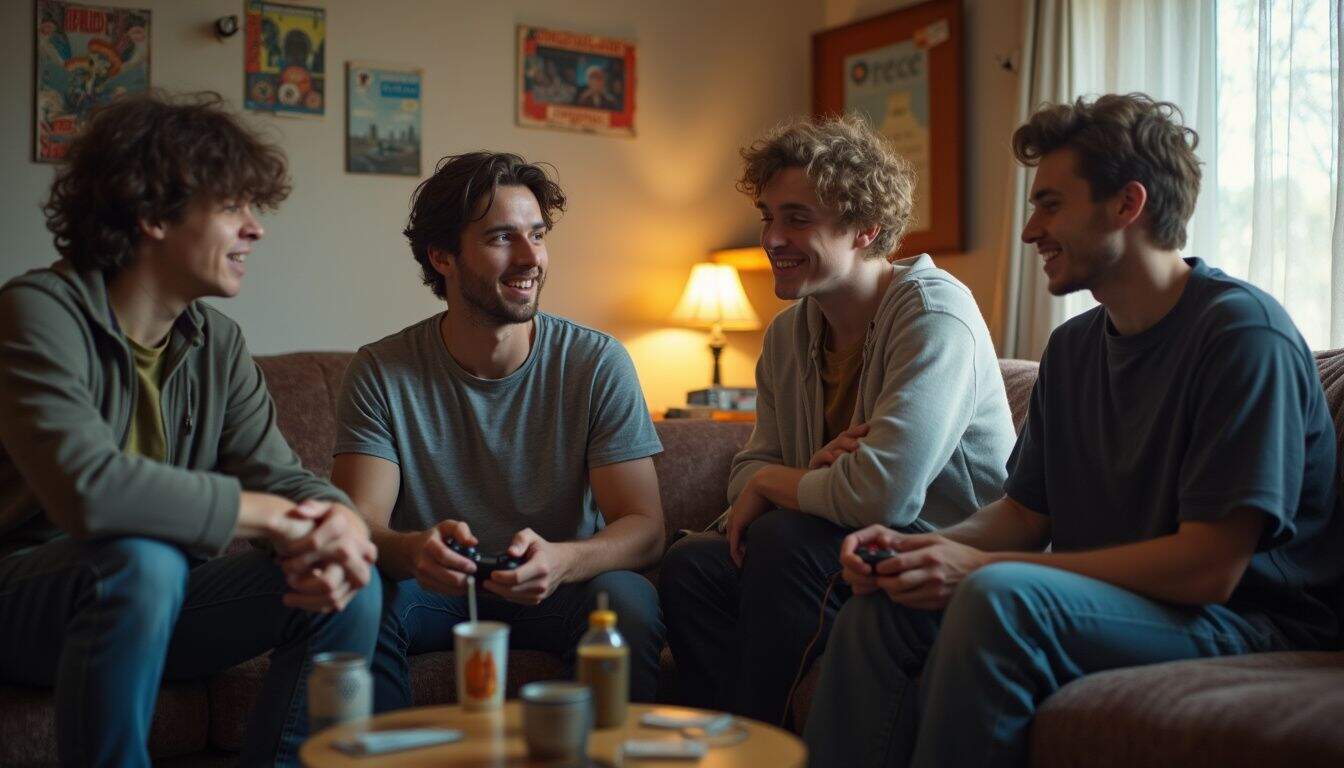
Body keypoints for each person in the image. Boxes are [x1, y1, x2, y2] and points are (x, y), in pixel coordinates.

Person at [804, 93, 1344, 767]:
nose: (1030, 230)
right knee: (883, 605)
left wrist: (981, 566)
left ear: (1128, 204)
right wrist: (923, 549)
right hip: (1125, 602)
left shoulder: (1242, 337)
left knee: (997, 597)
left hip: (1249, 623)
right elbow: (1027, 515)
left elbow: (1210, 566)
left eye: (1051, 204)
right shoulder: (1074, 348)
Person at [0, 92, 380, 768]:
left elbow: (283, 474)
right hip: (26, 603)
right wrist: (269, 517)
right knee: (141, 556)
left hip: (161, 599)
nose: (255, 229)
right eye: (232, 206)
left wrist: (341, 520)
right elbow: (89, 491)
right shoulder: (36, 314)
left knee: (349, 576)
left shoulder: (216, 343)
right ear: (151, 213)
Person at [658, 114, 1016, 726]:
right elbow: (746, 471)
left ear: (865, 228)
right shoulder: (788, 333)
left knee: (784, 539)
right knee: (691, 567)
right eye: (769, 216)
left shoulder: (933, 314)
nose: (772, 237)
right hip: (837, 546)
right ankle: (719, 742)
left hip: (940, 551)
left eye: (797, 218)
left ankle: (761, 744)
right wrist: (795, 479)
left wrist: (782, 484)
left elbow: (884, 495)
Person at [332, 151, 667, 712]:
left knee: (629, 600)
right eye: (501, 239)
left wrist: (563, 560)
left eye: (538, 234)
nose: (530, 257)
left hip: (561, 585)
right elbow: (360, 524)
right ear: (443, 256)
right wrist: (414, 550)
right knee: (362, 600)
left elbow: (646, 528)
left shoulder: (596, 361)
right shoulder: (382, 370)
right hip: (438, 593)